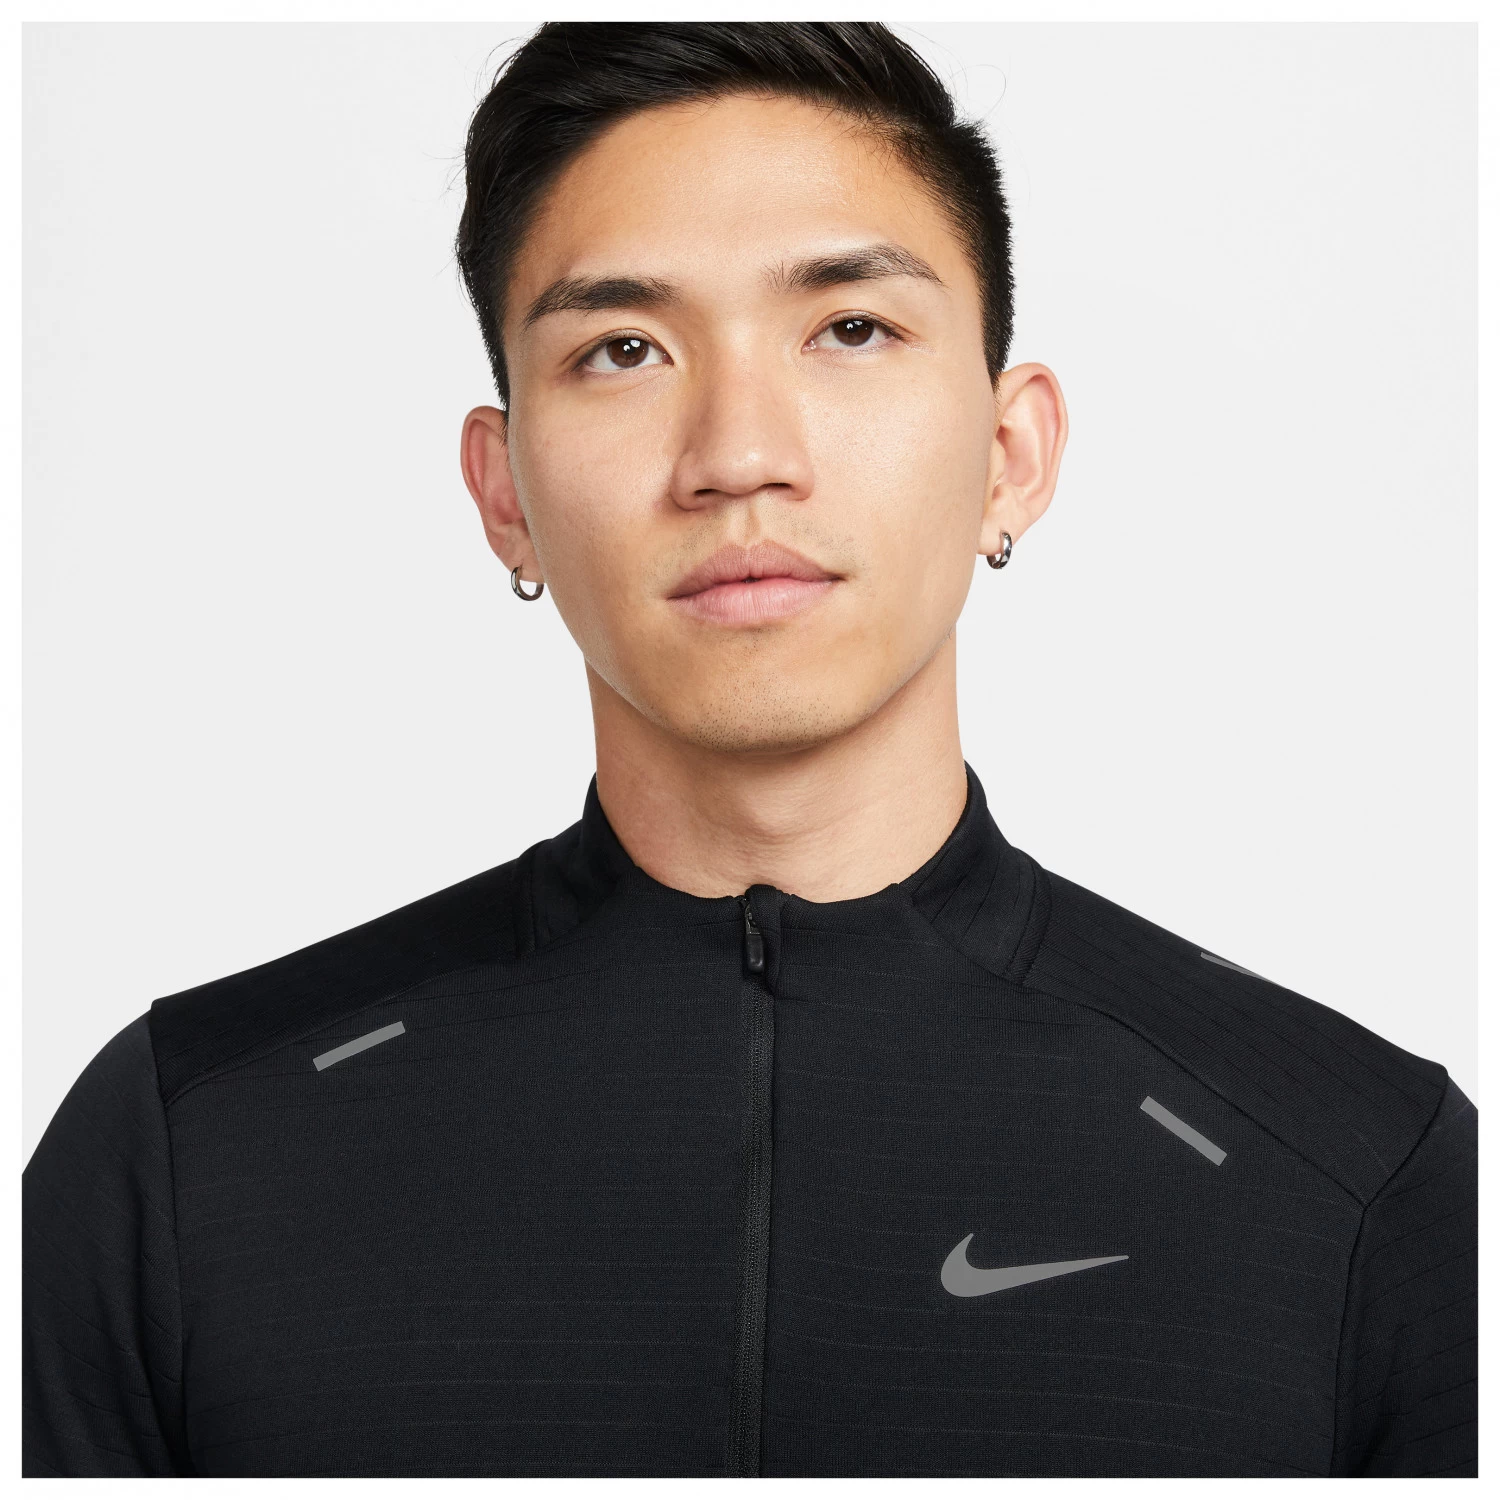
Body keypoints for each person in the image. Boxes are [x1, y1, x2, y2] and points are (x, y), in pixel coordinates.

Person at [23, 22, 1476, 1479]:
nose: (738, 454)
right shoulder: (184, 1157)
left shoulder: (1366, 1177)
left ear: (1010, 455)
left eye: (850, 330)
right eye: (624, 349)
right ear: (505, 492)